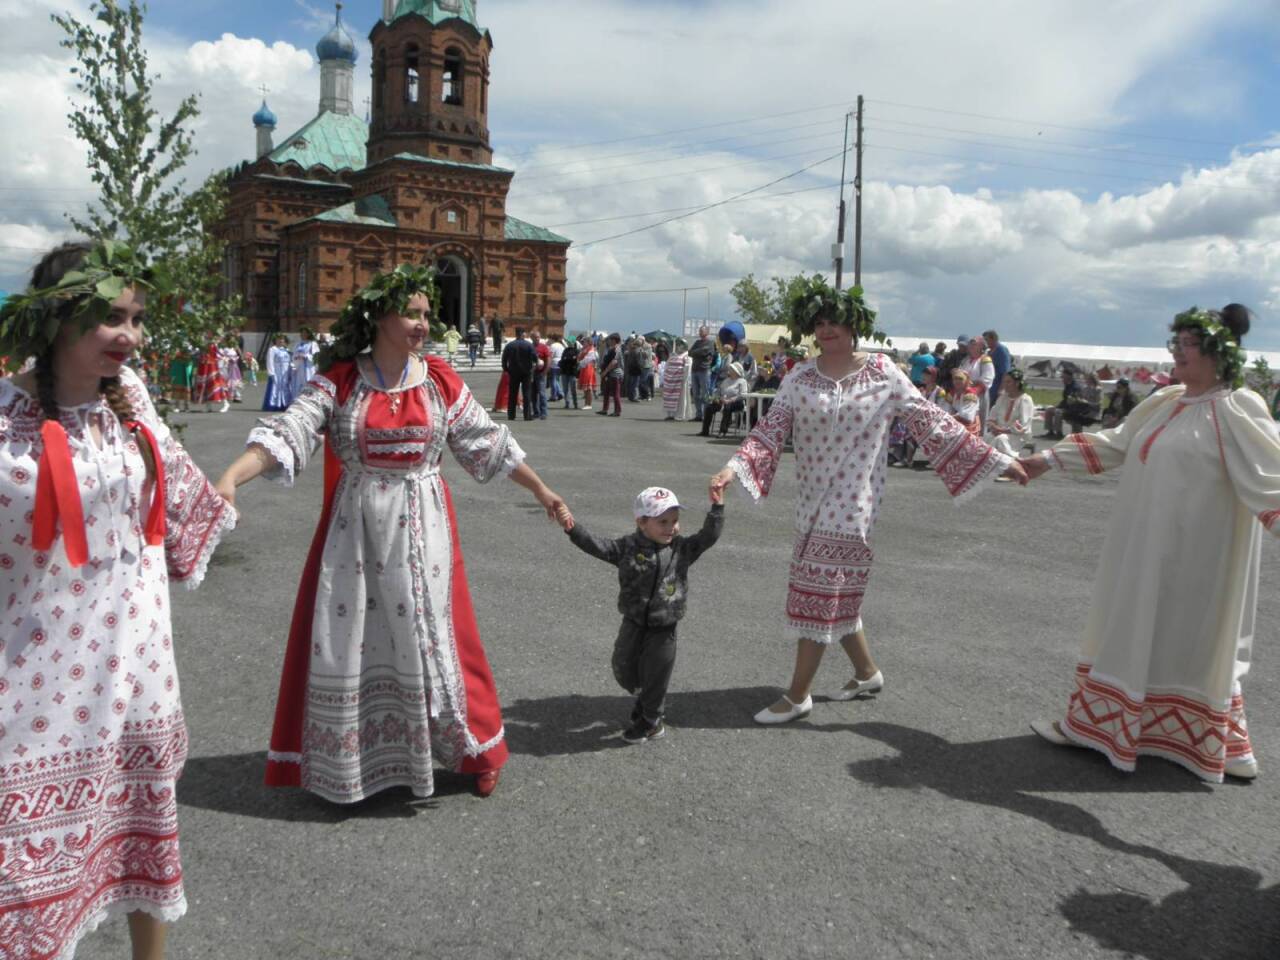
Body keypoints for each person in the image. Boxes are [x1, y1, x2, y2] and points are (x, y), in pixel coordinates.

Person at [215, 265, 573, 802]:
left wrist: (542, 490)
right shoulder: (340, 380)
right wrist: (229, 479)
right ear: (380, 316)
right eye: (414, 313)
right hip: (354, 532)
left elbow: (485, 441)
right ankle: (355, 760)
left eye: (429, 315)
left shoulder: (438, 379)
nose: (424, 324)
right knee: (353, 640)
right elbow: (288, 433)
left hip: (425, 526)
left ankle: (476, 750)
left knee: (442, 638)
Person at [0, 241, 236, 960]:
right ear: (57, 318)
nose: (130, 336)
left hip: (136, 663)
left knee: (143, 825)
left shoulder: (130, 398)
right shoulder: (6, 412)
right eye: (112, 318)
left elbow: (182, 496)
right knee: (25, 855)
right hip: (37, 673)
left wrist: (245, 475)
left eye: (137, 318)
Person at [709, 281, 1024, 725]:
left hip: (855, 504)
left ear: (853, 325)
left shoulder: (883, 373)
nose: (827, 329)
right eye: (819, 323)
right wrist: (733, 467)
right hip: (810, 502)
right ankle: (866, 672)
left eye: (835, 321)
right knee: (837, 589)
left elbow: (931, 422)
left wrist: (994, 461)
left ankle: (798, 695)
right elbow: (771, 429)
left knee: (822, 590)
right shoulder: (799, 376)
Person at [1022, 304, 1279, 783]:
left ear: (1217, 354)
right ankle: (1112, 725)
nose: (1176, 353)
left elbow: (1273, 480)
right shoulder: (1168, 401)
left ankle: (1209, 737)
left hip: (1199, 557)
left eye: (1187, 345)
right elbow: (1117, 442)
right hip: (1144, 545)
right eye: (1175, 343)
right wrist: (1047, 461)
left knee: (1190, 637)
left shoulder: (1237, 408)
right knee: (1135, 624)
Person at [563, 487, 724, 742]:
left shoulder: (682, 549)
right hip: (634, 621)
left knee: (657, 673)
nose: (670, 527)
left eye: (674, 521)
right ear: (641, 522)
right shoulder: (627, 547)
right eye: (662, 522)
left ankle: (651, 720)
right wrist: (573, 529)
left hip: (664, 627)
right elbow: (597, 546)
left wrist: (717, 508)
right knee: (623, 667)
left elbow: (709, 536)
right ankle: (645, 696)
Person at [987, 369, 1035, 460]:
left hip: (1017, 435)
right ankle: (988, 465)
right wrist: (994, 427)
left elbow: (1023, 426)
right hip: (999, 432)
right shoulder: (1002, 398)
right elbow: (991, 417)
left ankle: (1013, 462)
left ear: (1017, 383)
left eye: (1008, 382)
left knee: (1000, 439)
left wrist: (1003, 430)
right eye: (1004, 382)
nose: (1005, 385)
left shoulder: (1025, 400)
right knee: (986, 437)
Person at [699, 361, 749, 437]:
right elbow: (718, 391)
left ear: (736, 371)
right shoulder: (726, 380)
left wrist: (730, 400)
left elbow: (743, 395)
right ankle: (705, 430)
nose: (729, 370)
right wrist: (716, 398)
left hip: (736, 402)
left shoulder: (742, 381)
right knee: (709, 407)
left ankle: (723, 430)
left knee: (727, 407)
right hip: (723, 400)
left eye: (731, 369)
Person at [501, 326, 536, 421]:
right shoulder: (529, 345)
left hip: (513, 372)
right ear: (523, 334)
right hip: (526, 372)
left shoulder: (510, 345)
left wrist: (506, 369)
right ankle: (527, 415)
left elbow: (504, 359)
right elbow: (535, 357)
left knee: (512, 394)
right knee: (527, 394)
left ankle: (511, 415)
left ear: (516, 334)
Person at [963, 335, 995, 425]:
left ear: (981, 346)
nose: (971, 346)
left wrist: (974, 388)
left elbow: (988, 378)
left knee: (978, 420)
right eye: (970, 344)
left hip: (979, 395)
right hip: (964, 394)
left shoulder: (985, 360)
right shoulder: (966, 360)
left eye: (974, 344)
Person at [1042, 367, 1082, 439]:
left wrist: (1060, 407)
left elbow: (1073, 402)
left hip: (1072, 409)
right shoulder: (1067, 385)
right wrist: (1058, 406)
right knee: (1049, 410)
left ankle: (1058, 432)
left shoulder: (1075, 387)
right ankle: (1050, 431)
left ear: (1068, 376)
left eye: (1063, 377)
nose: (1062, 379)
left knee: (1058, 412)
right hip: (1065, 407)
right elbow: (1065, 400)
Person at [688, 325, 716, 422]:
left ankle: (706, 415)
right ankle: (698, 414)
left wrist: (698, 352)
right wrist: (701, 351)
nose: (700, 333)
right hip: (694, 370)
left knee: (705, 393)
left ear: (707, 332)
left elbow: (708, 352)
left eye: (702, 331)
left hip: (704, 370)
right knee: (696, 394)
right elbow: (690, 353)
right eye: (699, 331)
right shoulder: (697, 342)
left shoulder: (711, 343)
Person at [193, 338, 229, 412]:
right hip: (203, 366)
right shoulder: (201, 341)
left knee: (215, 383)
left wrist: (222, 358)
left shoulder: (214, 343)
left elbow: (218, 353)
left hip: (212, 366)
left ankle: (225, 403)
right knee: (204, 384)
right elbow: (197, 353)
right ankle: (208, 406)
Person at [662, 338, 693, 421]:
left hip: (680, 382)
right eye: (678, 345)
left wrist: (684, 378)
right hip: (670, 381)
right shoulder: (672, 355)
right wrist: (665, 377)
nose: (679, 347)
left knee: (681, 399)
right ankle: (670, 414)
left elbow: (687, 368)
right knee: (669, 398)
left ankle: (680, 415)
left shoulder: (687, 357)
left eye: (681, 345)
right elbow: (666, 366)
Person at [945, 368, 982, 436]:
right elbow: (946, 409)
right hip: (955, 421)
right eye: (955, 379)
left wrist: (948, 417)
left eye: (960, 379)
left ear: (966, 381)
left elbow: (967, 416)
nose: (957, 381)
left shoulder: (970, 395)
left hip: (969, 425)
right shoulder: (952, 394)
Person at [597, 333, 624, 416]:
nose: (609, 341)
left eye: (611, 340)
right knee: (606, 392)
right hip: (610, 374)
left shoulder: (617, 349)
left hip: (615, 374)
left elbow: (614, 362)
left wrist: (605, 372)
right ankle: (605, 409)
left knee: (615, 393)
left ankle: (617, 411)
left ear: (614, 340)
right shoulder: (611, 349)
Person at [263, 334, 292, 411]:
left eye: (282, 339)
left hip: (285, 372)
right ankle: (274, 405)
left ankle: (284, 404)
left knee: (285, 387)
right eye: (278, 339)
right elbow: (270, 361)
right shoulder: (272, 349)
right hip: (277, 371)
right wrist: (271, 373)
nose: (280, 341)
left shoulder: (287, 350)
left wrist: (290, 372)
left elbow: (290, 362)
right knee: (275, 388)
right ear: (275, 341)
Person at [290, 327, 319, 402]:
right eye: (302, 333)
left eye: (305, 333)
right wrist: (296, 357)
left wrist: (306, 356)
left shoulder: (312, 344)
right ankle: (298, 400)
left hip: (308, 367)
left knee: (308, 382)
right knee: (298, 383)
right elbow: (293, 354)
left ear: (309, 334)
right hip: (299, 366)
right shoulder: (298, 344)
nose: (303, 334)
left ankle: (309, 400)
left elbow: (316, 356)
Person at [983, 329, 1011, 405]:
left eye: (986, 340)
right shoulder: (988, 352)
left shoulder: (1001, 351)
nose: (985, 342)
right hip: (990, 388)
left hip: (997, 387)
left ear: (993, 339)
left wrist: (1002, 389)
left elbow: (1006, 371)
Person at [530, 330, 550, 419]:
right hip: (531, 373)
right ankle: (536, 412)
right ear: (532, 338)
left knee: (542, 393)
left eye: (538, 337)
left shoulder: (544, 347)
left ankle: (544, 412)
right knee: (533, 394)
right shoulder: (529, 347)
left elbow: (549, 359)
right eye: (535, 337)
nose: (537, 339)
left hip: (541, 373)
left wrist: (545, 371)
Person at [558, 335, 580, 409]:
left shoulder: (576, 351)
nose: (569, 343)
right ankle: (567, 403)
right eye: (568, 342)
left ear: (573, 342)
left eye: (570, 342)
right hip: (564, 371)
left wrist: (567, 359)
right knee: (565, 389)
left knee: (573, 389)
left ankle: (575, 403)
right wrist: (569, 359)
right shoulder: (566, 350)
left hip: (572, 372)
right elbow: (563, 359)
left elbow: (575, 360)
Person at [220, 335, 243, 402]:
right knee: (229, 380)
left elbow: (238, 355)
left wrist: (240, 357)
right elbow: (223, 358)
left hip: (234, 367)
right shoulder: (225, 349)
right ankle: (229, 395)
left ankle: (237, 395)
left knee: (235, 380)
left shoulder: (232, 349)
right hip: (228, 367)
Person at [578, 336, 598, 410]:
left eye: (585, 341)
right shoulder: (585, 349)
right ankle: (586, 403)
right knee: (585, 388)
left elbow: (588, 359)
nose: (583, 343)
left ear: (589, 342)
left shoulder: (591, 350)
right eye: (583, 342)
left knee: (588, 388)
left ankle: (589, 404)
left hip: (588, 368)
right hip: (584, 368)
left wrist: (580, 363)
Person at [548, 333, 565, 402]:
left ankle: (555, 395)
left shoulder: (553, 346)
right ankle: (558, 393)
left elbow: (551, 355)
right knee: (556, 379)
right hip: (560, 363)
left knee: (553, 380)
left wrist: (548, 364)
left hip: (554, 363)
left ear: (552, 339)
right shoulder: (561, 346)